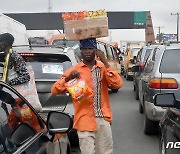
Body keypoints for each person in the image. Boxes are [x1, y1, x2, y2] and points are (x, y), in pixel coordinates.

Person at [51, 38, 123, 154]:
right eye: (84, 49)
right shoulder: (74, 70)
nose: (87, 51)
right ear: (80, 51)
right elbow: (54, 90)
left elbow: (117, 84)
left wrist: (105, 61)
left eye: (90, 49)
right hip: (84, 120)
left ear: (95, 50)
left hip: (103, 119)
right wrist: (68, 78)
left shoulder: (102, 68)